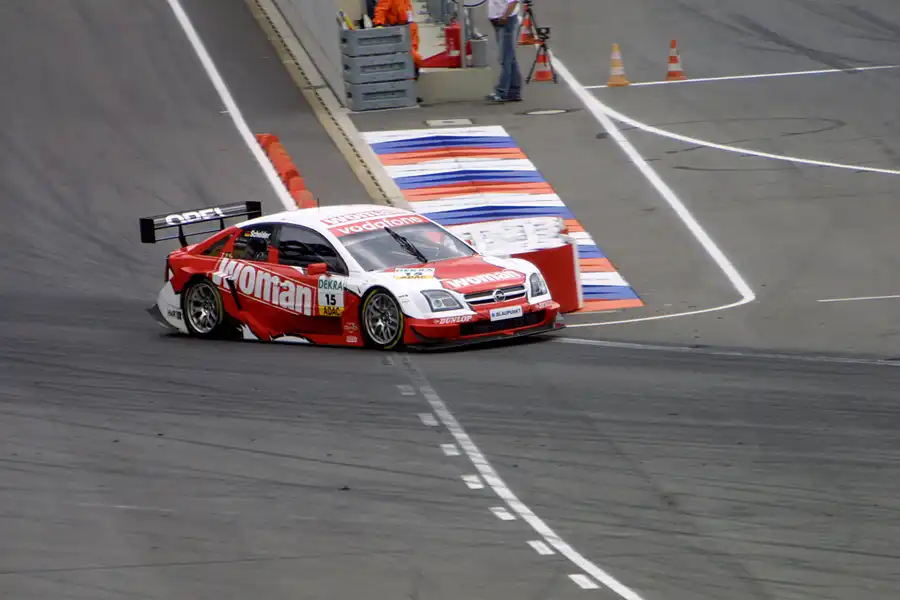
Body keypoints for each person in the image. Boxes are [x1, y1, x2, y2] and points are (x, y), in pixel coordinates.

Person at [373, 0, 423, 75]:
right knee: (411, 55)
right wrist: (379, 24)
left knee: (412, 53)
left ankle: (413, 69)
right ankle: (411, 70)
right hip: (398, 29)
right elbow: (381, 9)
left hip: (409, 27)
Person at [485, 0, 521, 103]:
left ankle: (502, 92)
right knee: (510, 57)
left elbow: (513, 2)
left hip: (505, 21)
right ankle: (514, 92)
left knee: (505, 57)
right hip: (498, 20)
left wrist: (504, 17)